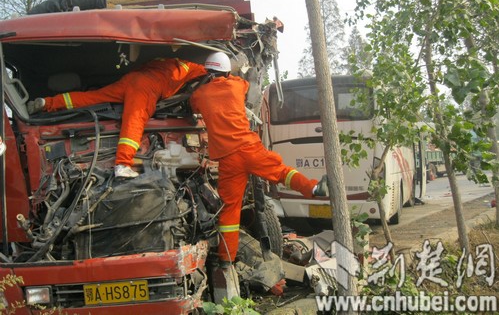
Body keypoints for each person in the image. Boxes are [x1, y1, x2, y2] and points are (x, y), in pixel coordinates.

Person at [190, 52, 328, 266]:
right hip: (249, 149)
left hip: (227, 159)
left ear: (208, 72)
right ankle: (313, 189)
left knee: (230, 209)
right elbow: (244, 84)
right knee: (281, 172)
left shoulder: (200, 94)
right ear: (226, 71)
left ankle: (226, 259)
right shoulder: (236, 86)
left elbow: (193, 105)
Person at [27, 57, 207, 178]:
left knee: (95, 97)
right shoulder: (199, 70)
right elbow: (203, 86)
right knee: (134, 121)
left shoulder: (170, 61)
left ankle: (48, 103)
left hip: (133, 78)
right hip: (148, 86)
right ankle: (122, 164)